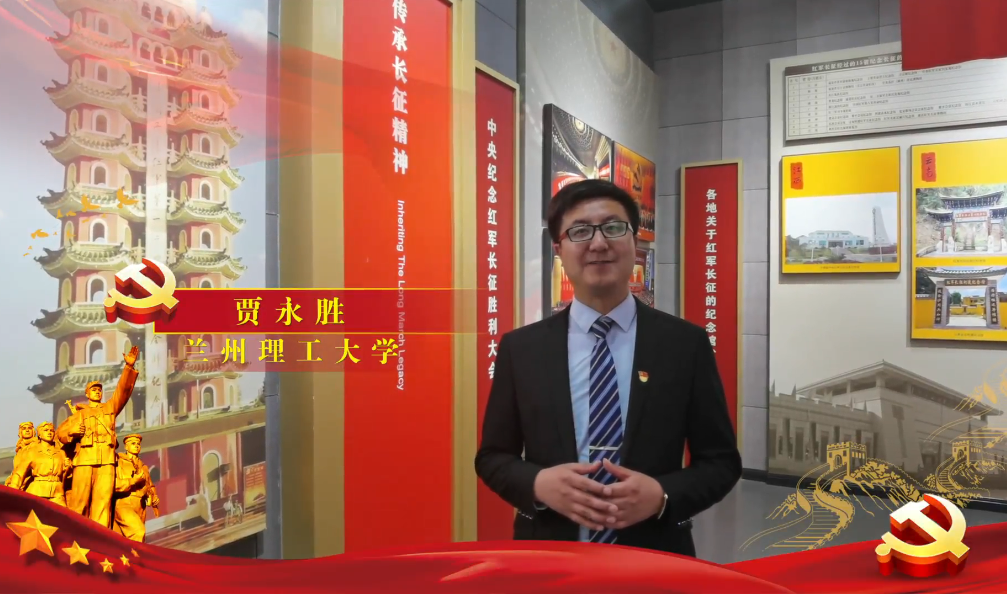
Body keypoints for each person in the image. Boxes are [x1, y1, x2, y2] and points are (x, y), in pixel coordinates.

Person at [475, 179, 741, 555]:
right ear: (559, 249)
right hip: (548, 557)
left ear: (635, 241)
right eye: (580, 231)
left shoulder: (685, 344)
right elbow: (492, 457)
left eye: (613, 228)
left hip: (654, 556)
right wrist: (537, 484)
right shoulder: (521, 349)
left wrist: (662, 495)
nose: (598, 243)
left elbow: (721, 462)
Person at [56, 345, 140, 528]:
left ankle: (100, 539)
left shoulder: (109, 408)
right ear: (87, 394)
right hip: (85, 460)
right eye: (93, 390)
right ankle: (75, 535)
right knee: (79, 502)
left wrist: (128, 368)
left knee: (103, 503)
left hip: (106, 460)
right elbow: (60, 434)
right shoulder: (79, 414)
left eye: (99, 390)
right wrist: (72, 432)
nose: (97, 392)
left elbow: (123, 392)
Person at [7, 422, 72, 507]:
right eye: (46, 430)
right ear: (40, 435)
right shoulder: (32, 452)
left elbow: (67, 476)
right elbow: (19, 474)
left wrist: (68, 468)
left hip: (57, 492)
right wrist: (12, 491)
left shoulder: (60, 452)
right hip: (38, 491)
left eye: (51, 431)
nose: (49, 432)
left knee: (62, 514)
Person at [113, 433, 160, 542]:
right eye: (133, 443)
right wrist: (133, 481)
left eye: (138, 444)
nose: (137, 446)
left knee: (137, 540)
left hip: (140, 507)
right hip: (124, 504)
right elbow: (113, 484)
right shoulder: (119, 462)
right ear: (126, 447)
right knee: (138, 532)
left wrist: (154, 497)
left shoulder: (143, 467)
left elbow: (150, 486)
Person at [4, 422, 38, 487]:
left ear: (33, 431)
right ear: (20, 432)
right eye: (24, 428)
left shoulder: (36, 446)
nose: (27, 430)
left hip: (31, 483)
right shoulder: (20, 448)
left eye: (29, 428)